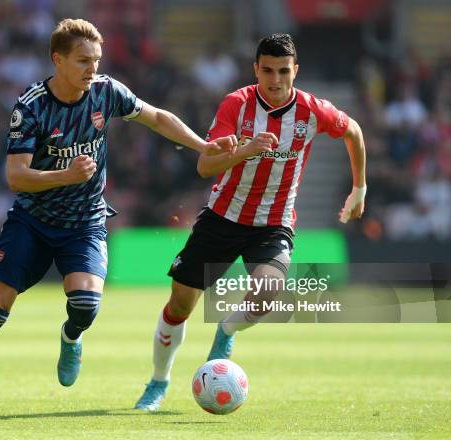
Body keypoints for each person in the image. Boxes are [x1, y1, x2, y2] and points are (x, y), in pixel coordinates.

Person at [0, 18, 235, 419]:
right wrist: (66, 175)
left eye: (96, 60)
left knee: (85, 304)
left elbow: (156, 117)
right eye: (83, 60)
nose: (92, 68)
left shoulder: (105, 92)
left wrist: (204, 145)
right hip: (32, 222)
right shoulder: (30, 107)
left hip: (84, 222)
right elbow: (16, 176)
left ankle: (71, 336)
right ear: (57, 60)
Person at [135, 33, 367, 411]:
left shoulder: (312, 110)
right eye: (268, 71)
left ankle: (225, 332)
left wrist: (359, 187)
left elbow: (353, 131)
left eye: (283, 71)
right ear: (255, 69)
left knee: (267, 292)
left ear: (296, 71)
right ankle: (158, 383)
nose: (275, 80)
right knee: (179, 306)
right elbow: (204, 165)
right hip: (222, 218)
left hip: (274, 223)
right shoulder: (236, 106)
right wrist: (245, 150)